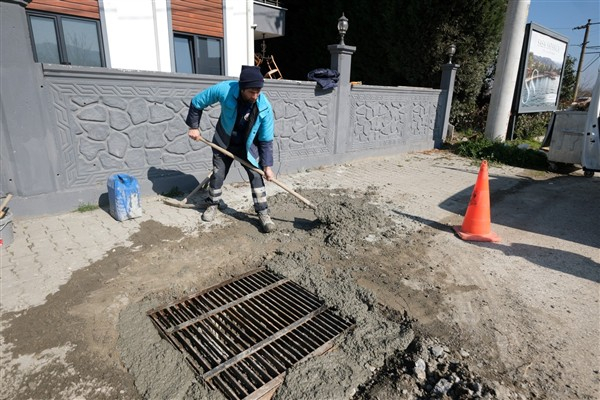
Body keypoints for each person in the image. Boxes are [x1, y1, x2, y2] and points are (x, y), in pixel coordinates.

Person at [185, 65, 276, 233]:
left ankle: (263, 212)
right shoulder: (225, 89)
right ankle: (213, 204)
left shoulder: (264, 106)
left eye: (258, 92)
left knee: (257, 175)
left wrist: (267, 167)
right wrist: (194, 127)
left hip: (248, 147)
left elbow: (266, 140)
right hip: (223, 141)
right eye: (251, 92)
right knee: (218, 173)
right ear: (242, 88)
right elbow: (197, 102)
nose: (255, 96)